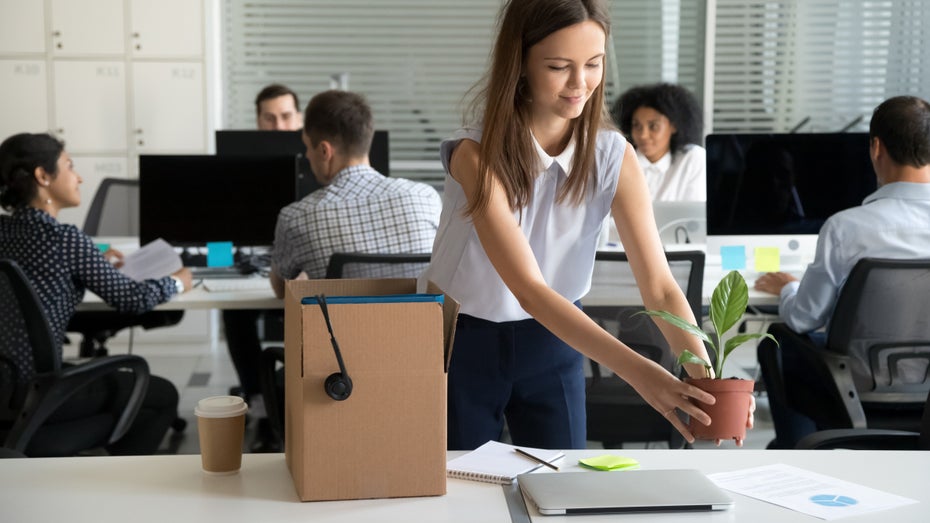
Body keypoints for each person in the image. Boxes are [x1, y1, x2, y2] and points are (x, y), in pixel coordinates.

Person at [419, 0, 741, 451]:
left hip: (557, 340)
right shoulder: (474, 155)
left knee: (562, 486)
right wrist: (642, 375)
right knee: (461, 491)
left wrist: (709, 381)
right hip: (464, 343)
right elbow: (529, 289)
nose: (580, 83)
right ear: (521, 65)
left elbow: (662, 287)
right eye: (559, 66)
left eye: (594, 64)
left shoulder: (614, 156)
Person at [0, 132, 193, 455]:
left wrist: (91, 263)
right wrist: (177, 282)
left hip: (5, 385)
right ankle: (105, 476)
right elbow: (131, 298)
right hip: (38, 390)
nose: (79, 177)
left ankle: (42, 447)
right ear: (42, 176)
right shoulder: (64, 239)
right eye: (70, 166)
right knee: (162, 397)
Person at [754, 95, 930, 449]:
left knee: (778, 341)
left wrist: (789, 289)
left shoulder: (845, 228)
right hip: (925, 392)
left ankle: (802, 452)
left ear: (876, 148)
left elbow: (804, 319)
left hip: (854, 389)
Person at [269, 89, 441, 296]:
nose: (306, 155)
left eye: (307, 147)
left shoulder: (296, 217)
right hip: (420, 327)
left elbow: (281, 290)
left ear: (325, 151)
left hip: (339, 329)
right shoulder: (425, 197)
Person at [221, 83, 303, 452]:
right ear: (257, 122)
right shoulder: (241, 161)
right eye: (269, 118)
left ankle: (291, 399)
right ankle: (258, 397)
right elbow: (219, 224)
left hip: (303, 262)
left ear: (298, 119)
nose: (278, 125)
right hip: (255, 258)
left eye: (286, 117)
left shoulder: (319, 156)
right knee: (234, 312)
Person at [612, 83, 705, 201]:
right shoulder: (618, 161)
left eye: (653, 126)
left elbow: (694, 213)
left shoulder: (692, 159)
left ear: (674, 126)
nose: (643, 135)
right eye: (637, 126)